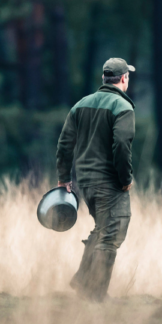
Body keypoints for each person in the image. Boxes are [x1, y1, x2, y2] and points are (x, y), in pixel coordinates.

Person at [55, 58, 136, 302]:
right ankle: (96, 293)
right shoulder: (123, 107)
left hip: (85, 184)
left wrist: (63, 179)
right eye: (128, 77)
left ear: (104, 79)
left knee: (101, 229)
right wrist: (125, 179)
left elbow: (64, 144)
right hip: (110, 183)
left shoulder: (80, 105)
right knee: (111, 234)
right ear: (123, 79)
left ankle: (83, 281)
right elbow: (121, 144)